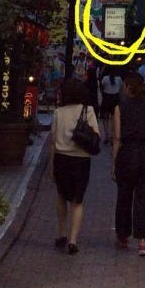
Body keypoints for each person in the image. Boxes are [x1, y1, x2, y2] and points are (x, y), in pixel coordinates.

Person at [49, 74, 100, 255]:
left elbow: (52, 141)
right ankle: (73, 240)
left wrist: (51, 166)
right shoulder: (88, 111)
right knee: (78, 201)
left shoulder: (58, 113)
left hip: (62, 159)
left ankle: (61, 233)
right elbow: (96, 135)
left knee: (61, 196)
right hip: (82, 160)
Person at [112, 68, 145, 257]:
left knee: (124, 195)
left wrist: (114, 163)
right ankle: (142, 241)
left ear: (127, 87)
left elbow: (117, 138)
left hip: (127, 154)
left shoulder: (120, 108)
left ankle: (123, 235)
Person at [99, 66, 122, 144]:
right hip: (115, 98)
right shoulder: (119, 79)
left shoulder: (105, 78)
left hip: (107, 98)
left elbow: (102, 87)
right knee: (113, 118)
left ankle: (106, 135)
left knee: (105, 118)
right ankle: (112, 135)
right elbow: (121, 88)